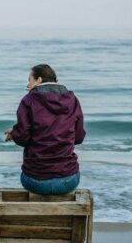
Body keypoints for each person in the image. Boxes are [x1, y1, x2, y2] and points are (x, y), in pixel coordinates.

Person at [5, 64, 86, 195]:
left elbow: (23, 138)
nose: (28, 85)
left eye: (30, 80)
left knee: (27, 177)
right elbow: (79, 137)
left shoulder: (28, 100)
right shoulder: (73, 100)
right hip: (68, 179)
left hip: (36, 181)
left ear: (39, 80)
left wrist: (14, 134)